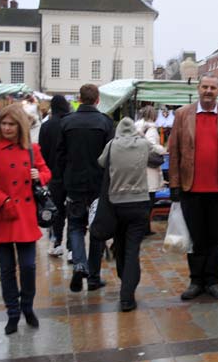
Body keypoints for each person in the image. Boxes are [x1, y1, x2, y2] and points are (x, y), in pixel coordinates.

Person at [0, 104, 51, 335]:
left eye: (11, 124)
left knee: (28, 266)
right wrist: (2, 199)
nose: (6, 128)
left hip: (24, 217)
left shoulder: (31, 150)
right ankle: (13, 313)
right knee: (7, 269)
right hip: (1, 216)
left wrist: (41, 175)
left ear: (21, 126)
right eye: (3, 124)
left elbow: (47, 172)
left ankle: (27, 306)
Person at [168, 74, 218, 301]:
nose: (208, 91)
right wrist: (174, 184)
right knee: (195, 237)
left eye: (213, 87)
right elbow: (174, 153)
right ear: (198, 89)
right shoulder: (183, 115)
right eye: (204, 87)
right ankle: (196, 280)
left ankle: (213, 280)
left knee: (215, 237)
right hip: (190, 187)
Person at [57, 83, 115, 293]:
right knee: (97, 229)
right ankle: (93, 276)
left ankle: (80, 263)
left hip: (74, 183)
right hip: (98, 185)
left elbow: (60, 155)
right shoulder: (106, 122)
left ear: (79, 99)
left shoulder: (67, 122)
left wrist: (64, 177)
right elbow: (111, 156)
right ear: (97, 99)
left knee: (75, 226)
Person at [99, 117, 156, 312]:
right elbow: (158, 156)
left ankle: (126, 282)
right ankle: (127, 295)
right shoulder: (142, 144)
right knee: (133, 250)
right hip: (139, 202)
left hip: (116, 203)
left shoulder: (112, 144)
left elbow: (101, 162)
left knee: (121, 246)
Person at [38, 95, 71, 257]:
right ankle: (72, 247)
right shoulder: (71, 123)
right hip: (71, 174)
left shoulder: (47, 126)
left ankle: (56, 242)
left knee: (56, 210)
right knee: (73, 210)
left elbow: (41, 153)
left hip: (53, 175)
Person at [135, 105, 167, 215]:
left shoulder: (136, 127)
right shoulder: (151, 129)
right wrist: (162, 150)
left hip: (138, 165)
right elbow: (151, 145)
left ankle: (143, 226)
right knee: (149, 198)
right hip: (149, 167)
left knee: (142, 201)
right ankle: (145, 227)